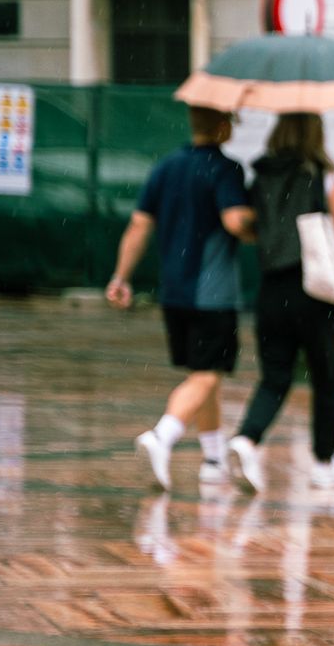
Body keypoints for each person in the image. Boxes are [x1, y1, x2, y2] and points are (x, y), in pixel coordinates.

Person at [106, 106, 255, 491]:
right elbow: (235, 221)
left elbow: (139, 224)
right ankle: (162, 437)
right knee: (208, 374)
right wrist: (266, 224)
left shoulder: (166, 167)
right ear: (222, 126)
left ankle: (213, 458)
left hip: (174, 292)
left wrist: (121, 276)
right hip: (213, 294)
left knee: (204, 375)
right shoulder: (226, 170)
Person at [224, 112, 334, 493]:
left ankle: (246, 439)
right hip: (315, 288)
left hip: (271, 289)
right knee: (325, 376)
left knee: (275, 376)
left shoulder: (261, 174)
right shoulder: (319, 172)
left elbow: (253, 226)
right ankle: (324, 461)